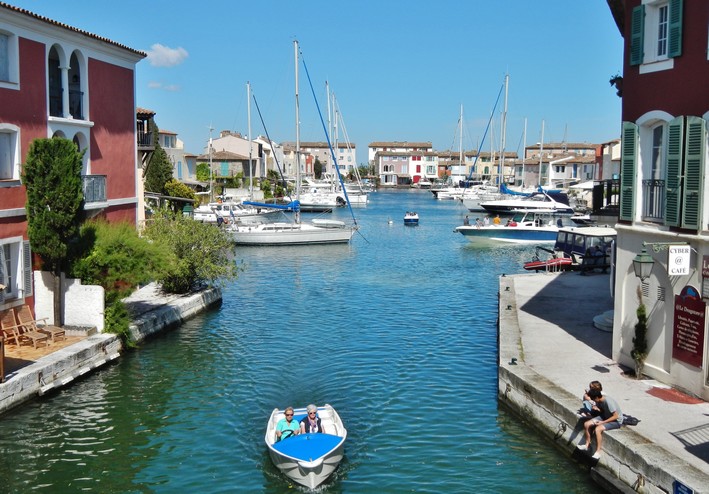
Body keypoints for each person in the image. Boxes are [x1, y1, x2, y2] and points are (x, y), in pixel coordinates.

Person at [577, 389, 623, 459]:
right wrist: (597, 409)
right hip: (605, 416)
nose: (593, 401)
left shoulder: (608, 402)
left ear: (597, 398)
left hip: (616, 421)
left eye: (593, 399)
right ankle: (586, 445)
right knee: (587, 424)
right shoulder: (599, 400)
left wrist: (602, 422)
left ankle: (598, 452)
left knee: (598, 429)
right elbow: (603, 410)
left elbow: (616, 416)